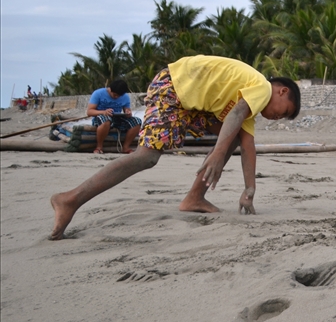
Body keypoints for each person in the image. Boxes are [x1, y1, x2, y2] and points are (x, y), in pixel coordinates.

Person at [50, 55, 300, 240]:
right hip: (172, 88)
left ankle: (194, 198)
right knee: (146, 157)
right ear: (281, 91)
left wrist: (249, 190)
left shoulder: (249, 102)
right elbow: (234, 115)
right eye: (284, 112)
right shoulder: (262, 87)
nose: (278, 118)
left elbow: (247, 147)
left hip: (189, 101)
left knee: (234, 137)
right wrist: (218, 154)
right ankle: (70, 199)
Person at [87, 79, 142, 154]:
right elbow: (89, 112)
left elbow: (127, 110)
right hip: (101, 118)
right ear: (110, 90)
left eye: (119, 96)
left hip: (117, 118)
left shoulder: (125, 97)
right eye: (115, 95)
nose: (116, 97)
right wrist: (103, 112)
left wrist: (128, 113)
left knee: (137, 121)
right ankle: (99, 147)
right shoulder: (98, 93)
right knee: (106, 120)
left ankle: (125, 147)